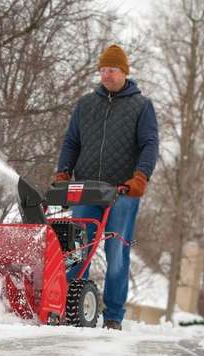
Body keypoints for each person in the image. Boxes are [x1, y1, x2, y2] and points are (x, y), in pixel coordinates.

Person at [55, 44, 159, 330]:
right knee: (77, 249)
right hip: (86, 189)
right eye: (102, 70)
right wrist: (63, 172)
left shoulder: (141, 106)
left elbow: (150, 144)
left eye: (111, 70)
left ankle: (113, 316)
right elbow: (71, 142)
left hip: (122, 192)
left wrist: (140, 177)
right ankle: (72, 307)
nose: (106, 75)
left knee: (116, 253)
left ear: (124, 72)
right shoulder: (86, 105)